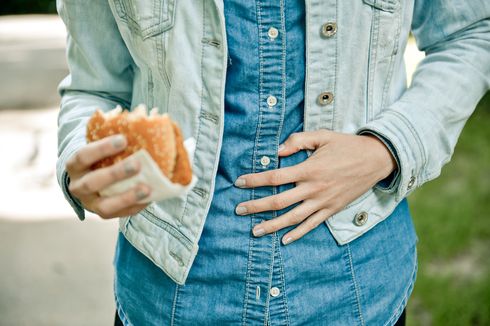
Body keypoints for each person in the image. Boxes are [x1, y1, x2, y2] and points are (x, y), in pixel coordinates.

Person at [56, 0, 489, 324]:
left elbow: (472, 32)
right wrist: (86, 160)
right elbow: (95, 88)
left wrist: (386, 147)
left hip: (354, 293)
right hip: (170, 300)